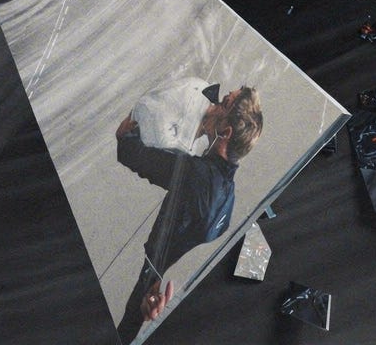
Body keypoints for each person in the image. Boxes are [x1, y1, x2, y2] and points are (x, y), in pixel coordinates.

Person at [113, 86, 265, 339]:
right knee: (140, 303)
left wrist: (129, 130)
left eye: (222, 104)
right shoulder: (226, 195)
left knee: (136, 310)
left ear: (226, 133)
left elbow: (130, 152)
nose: (211, 104)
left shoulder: (196, 176)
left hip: (168, 252)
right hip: (173, 251)